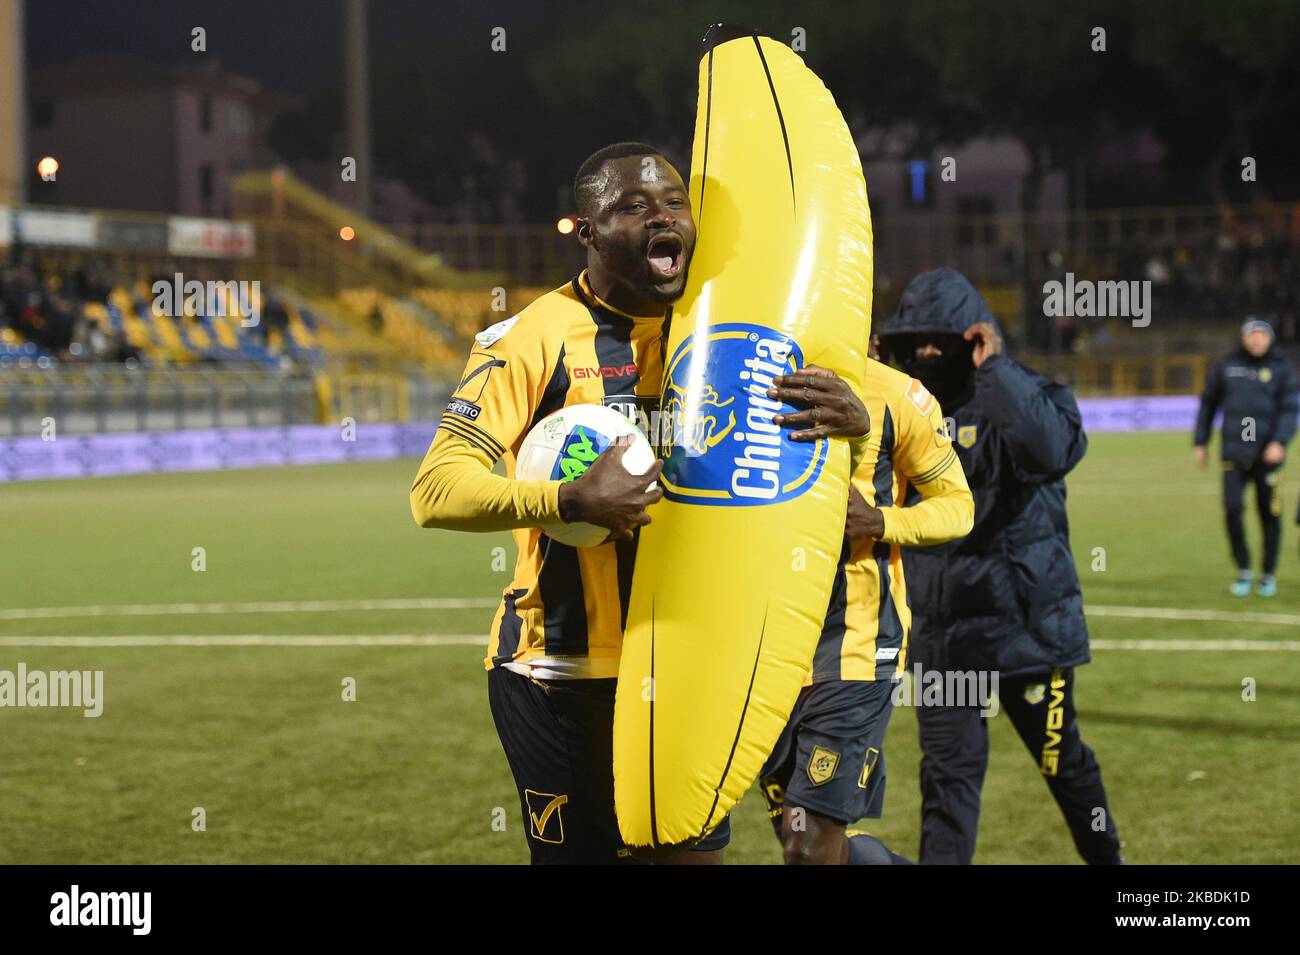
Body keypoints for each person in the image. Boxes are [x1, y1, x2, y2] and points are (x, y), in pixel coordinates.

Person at [409, 142, 870, 864]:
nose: (664, 216)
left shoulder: (723, 332)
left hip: (686, 663)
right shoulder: (535, 337)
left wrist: (854, 426)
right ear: (587, 231)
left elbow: (781, 473)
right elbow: (435, 489)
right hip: (563, 675)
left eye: (674, 201)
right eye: (633, 205)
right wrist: (566, 498)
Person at [877, 267, 1122, 865]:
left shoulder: (1031, 394)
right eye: (917, 344)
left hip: (1026, 633)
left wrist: (996, 373)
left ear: (977, 337)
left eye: (942, 340)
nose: (930, 354)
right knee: (947, 780)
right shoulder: (903, 412)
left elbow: (1048, 451)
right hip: (943, 637)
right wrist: (876, 374)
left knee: (1063, 763)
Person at [759, 356, 973, 865]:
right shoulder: (744, 375)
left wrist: (881, 521)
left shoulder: (897, 395)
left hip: (855, 644)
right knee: (799, 830)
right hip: (762, 646)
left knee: (807, 842)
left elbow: (959, 506)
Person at [1194, 318, 1298, 597]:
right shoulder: (1227, 367)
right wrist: (1201, 440)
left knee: (1270, 515)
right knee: (1232, 509)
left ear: (1270, 339)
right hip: (1234, 454)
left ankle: (1267, 573)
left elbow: (1291, 409)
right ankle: (1243, 568)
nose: (1256, 340)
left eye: (1261, 335)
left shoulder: (1281, 369)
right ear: (1243, 338)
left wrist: (1279, 442)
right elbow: (1208, 403)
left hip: (1268, 456)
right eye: (1252, 335)